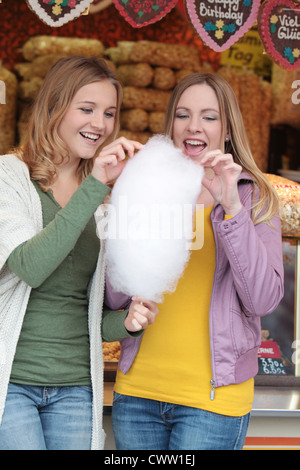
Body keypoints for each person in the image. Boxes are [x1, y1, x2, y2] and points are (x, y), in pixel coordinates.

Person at [106, 72, 284, 450]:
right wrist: (119, 205)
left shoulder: (256, 199)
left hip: (213, 403)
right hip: (138, 393)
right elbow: (114, 298)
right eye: (183, 114)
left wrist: (231, 207)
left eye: (209, 116)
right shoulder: (146, 186)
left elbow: (263, 300)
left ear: (228, 129)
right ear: (171, 124)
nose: (193, 126)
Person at [0, 56, 158, 451]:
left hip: (75, 389)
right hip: (11, 383)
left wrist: (128, 323)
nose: (99, 124)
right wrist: (97, 187)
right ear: (54, 107)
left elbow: (82, 314)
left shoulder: (104, 196)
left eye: (109, 113)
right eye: (86, 109)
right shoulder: (9, 176)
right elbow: (30, 267)